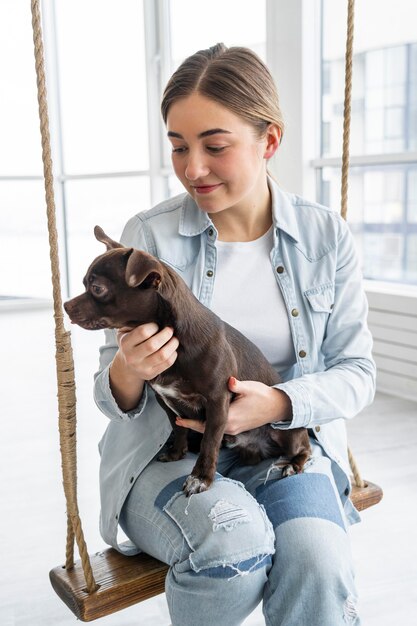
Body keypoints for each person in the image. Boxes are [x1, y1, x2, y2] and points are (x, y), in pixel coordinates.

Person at [93, 43, 375, 626]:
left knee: (319, 564)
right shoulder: (149, 237)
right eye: (177, 146)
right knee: (233, 547)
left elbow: (357, 374)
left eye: (214, 146)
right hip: (166, 457)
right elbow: (108, 395)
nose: (193, 167)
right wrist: (129, 369)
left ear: (269, 141)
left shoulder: (325, 238)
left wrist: (278, 403)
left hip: (279, 448)